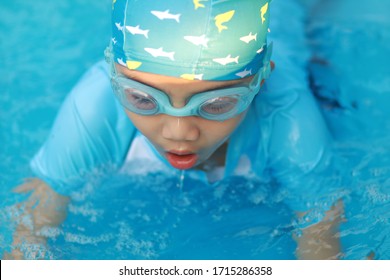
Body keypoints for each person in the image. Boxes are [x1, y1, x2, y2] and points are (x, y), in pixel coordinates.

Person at [5, 0, 343, 259]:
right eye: (142, 98)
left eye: (216, 105)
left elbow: (322, 234)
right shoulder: (95, 106)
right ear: (112, 74)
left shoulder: (289, 120)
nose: (179, 132)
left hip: (287, 30)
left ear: (260, 80)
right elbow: (33, 226)